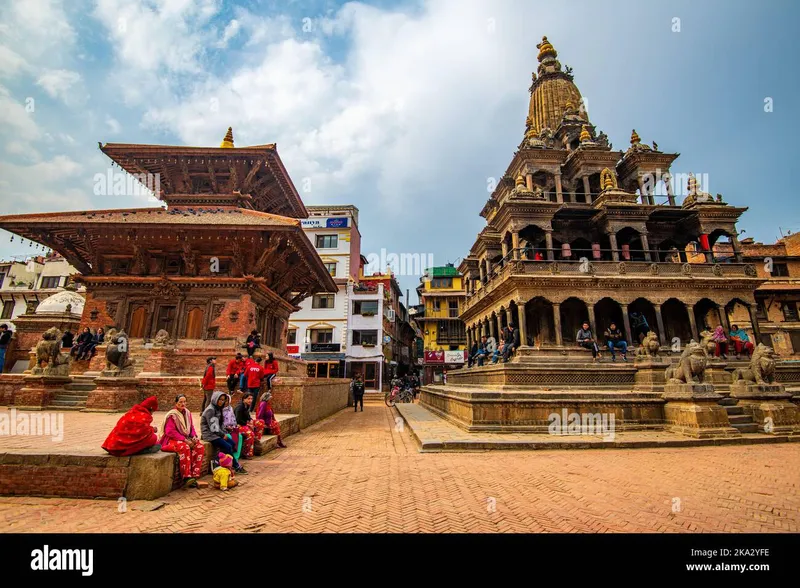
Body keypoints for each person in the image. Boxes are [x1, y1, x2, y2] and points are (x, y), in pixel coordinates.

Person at [160, 394, 205, 488]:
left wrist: (194, 437)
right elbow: (170, 431)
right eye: (180, 402)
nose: (183, 404)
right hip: (171, 440)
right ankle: (186, 476)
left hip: (185, 438)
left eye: (184, 402)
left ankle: (194, 475)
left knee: (199, 446)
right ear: (176, 403)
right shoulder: (172, 415)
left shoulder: (187, 413)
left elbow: (191, 427)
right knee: (184, 447)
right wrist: (184, 440)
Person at [201, 391, 247, 474]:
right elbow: (213, 427)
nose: (221, 402)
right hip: (210, 434)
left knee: (232, 443)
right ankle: (236, 466)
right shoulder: (211, 410)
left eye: (223, 400)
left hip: (217, 433)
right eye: (220, 400)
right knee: (228, 446)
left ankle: (219, 461)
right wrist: (223, 435)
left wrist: (226, 431)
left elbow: (220, 424)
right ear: (215, 399)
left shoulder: (218, 409)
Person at [233, 392, 265, 459]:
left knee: (260, 422)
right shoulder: (240, 407)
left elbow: (248, 416)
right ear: (244, 399)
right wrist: (248, 425)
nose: (250, 400)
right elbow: (237, 420)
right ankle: (246, 453)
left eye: (251, 399)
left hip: (244, 423)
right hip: (238, 425)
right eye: (248, 399)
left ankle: (256, 441)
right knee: (250, 434)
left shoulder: (246, 406)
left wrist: (250, 420)